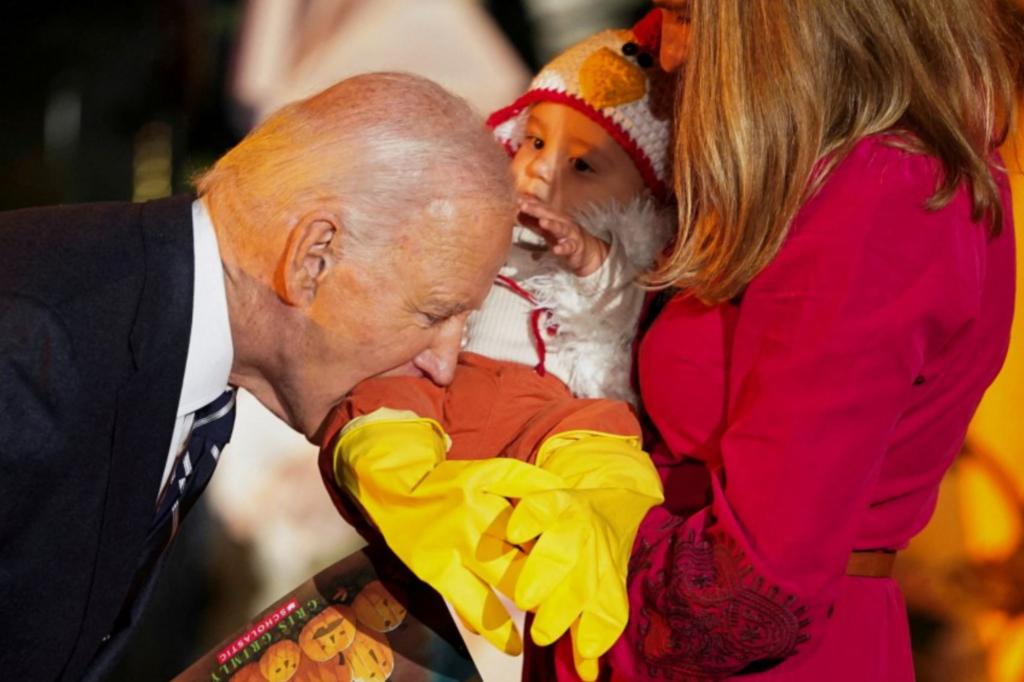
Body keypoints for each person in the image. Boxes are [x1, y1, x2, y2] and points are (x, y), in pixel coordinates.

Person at [514, 0, 1017, 679]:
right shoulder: (826, 176)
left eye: (690, 14)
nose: (665, 51)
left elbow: (751, 593)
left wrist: (531, 537)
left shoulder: (879, 193)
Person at [0, 72, 546, 681]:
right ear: (313, 259)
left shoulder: (181, 337)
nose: (442, 364)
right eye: (435, 313)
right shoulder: (28, 344)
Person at [317, 15, 675, 675]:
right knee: (379, 411)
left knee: (609, 444)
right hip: (446, 387)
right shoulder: (486, 221)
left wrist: (591, 257)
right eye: (534, 142)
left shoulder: (631, 260)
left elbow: (620, 321)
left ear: (644, 198)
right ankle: (427, 498)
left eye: (583, 165)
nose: (538, 173)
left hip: (547, 415)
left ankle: (583, 533)